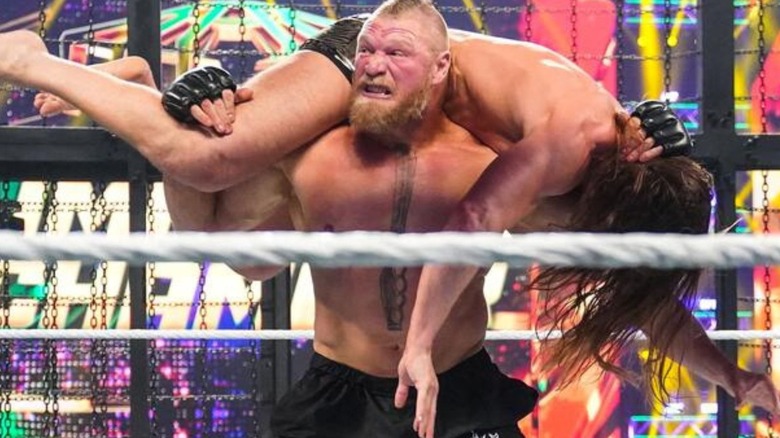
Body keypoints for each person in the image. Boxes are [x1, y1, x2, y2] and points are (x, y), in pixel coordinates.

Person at [1, 5, 778, 438]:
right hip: (345, 384)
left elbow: (639, 301)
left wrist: (739, 379)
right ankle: (53, 64)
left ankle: (141, 88)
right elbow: (230, 251)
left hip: (459, 385)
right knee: (211, 161)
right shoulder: (542, 153)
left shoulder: (538, 179)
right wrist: (194, 101)